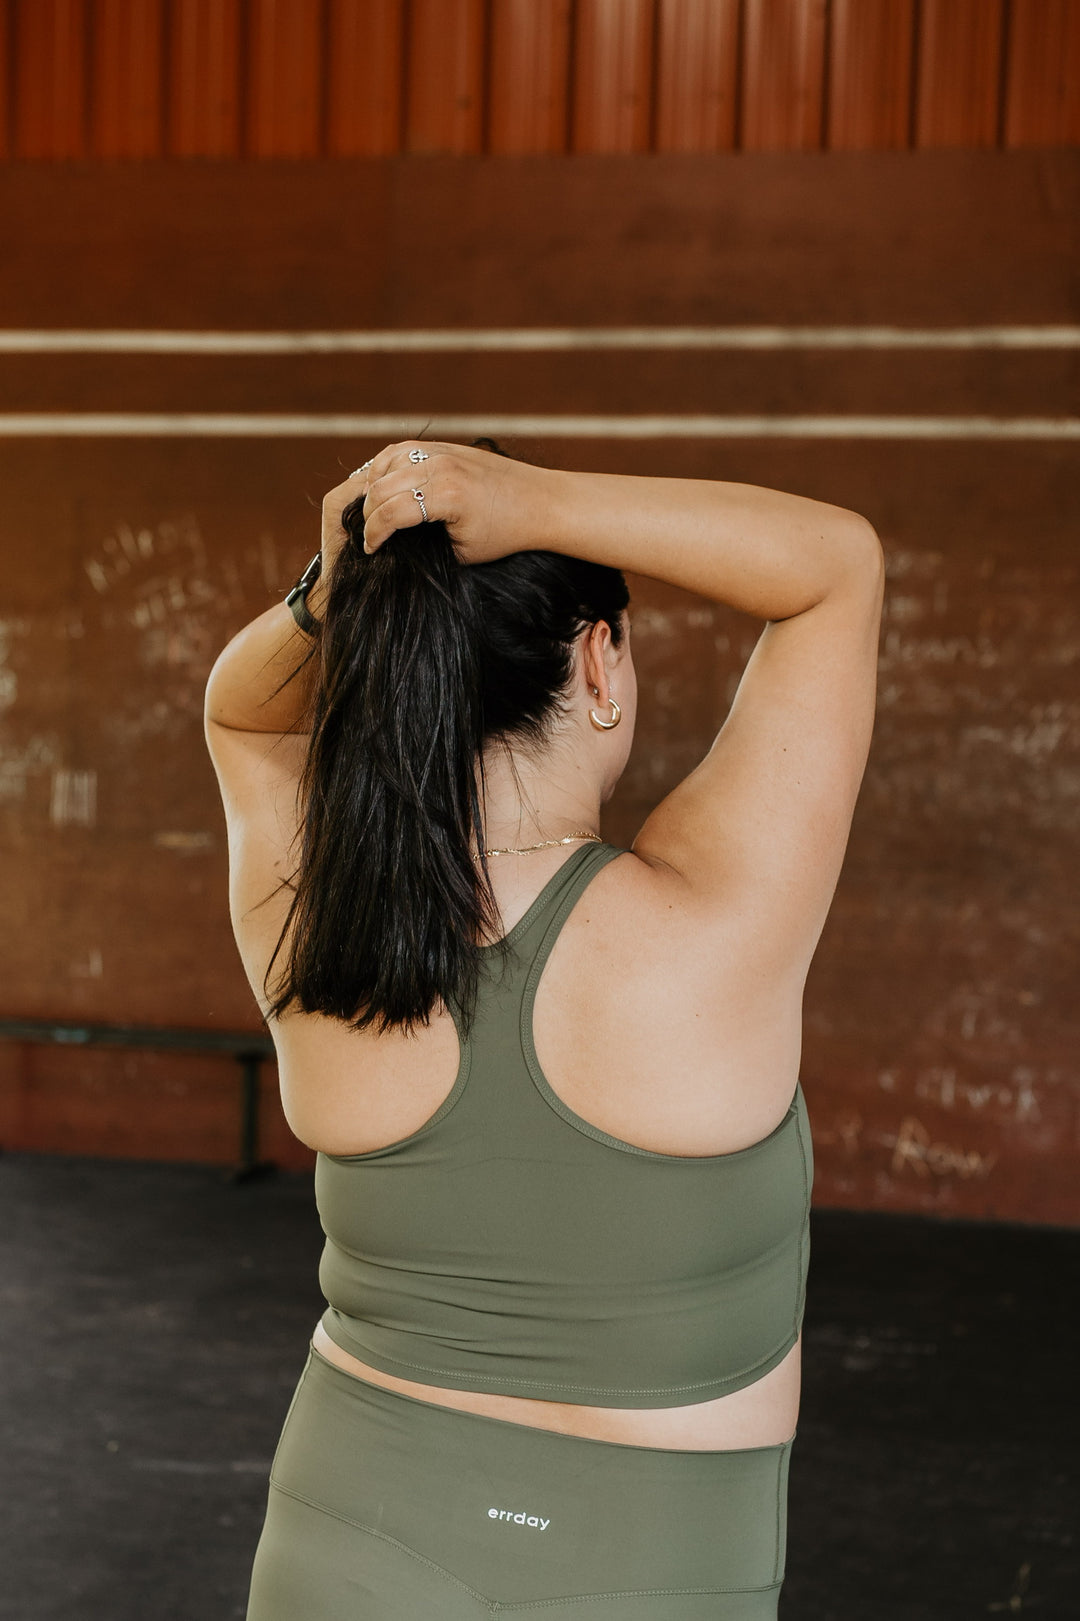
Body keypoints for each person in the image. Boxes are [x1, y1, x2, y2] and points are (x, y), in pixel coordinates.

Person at [204, 439, 883, 1619]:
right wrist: (540, 504)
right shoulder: (711, 920)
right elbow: (836, 564)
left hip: (343, 1537)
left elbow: (245, 718)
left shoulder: (317, 922)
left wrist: (339, 586)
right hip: (653, 1568)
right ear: (599, 665)